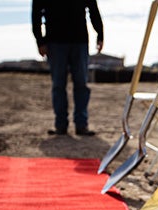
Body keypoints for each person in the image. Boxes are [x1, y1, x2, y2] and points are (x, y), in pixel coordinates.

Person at [31, 0, 104, 136]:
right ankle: (60, 125)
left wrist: (100, 34)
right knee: (58, 84)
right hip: (55, 41)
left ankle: (81, 125)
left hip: (79, 41)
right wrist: (40, 41)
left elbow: (93, 9)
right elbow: (36, 14)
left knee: (81, 84)